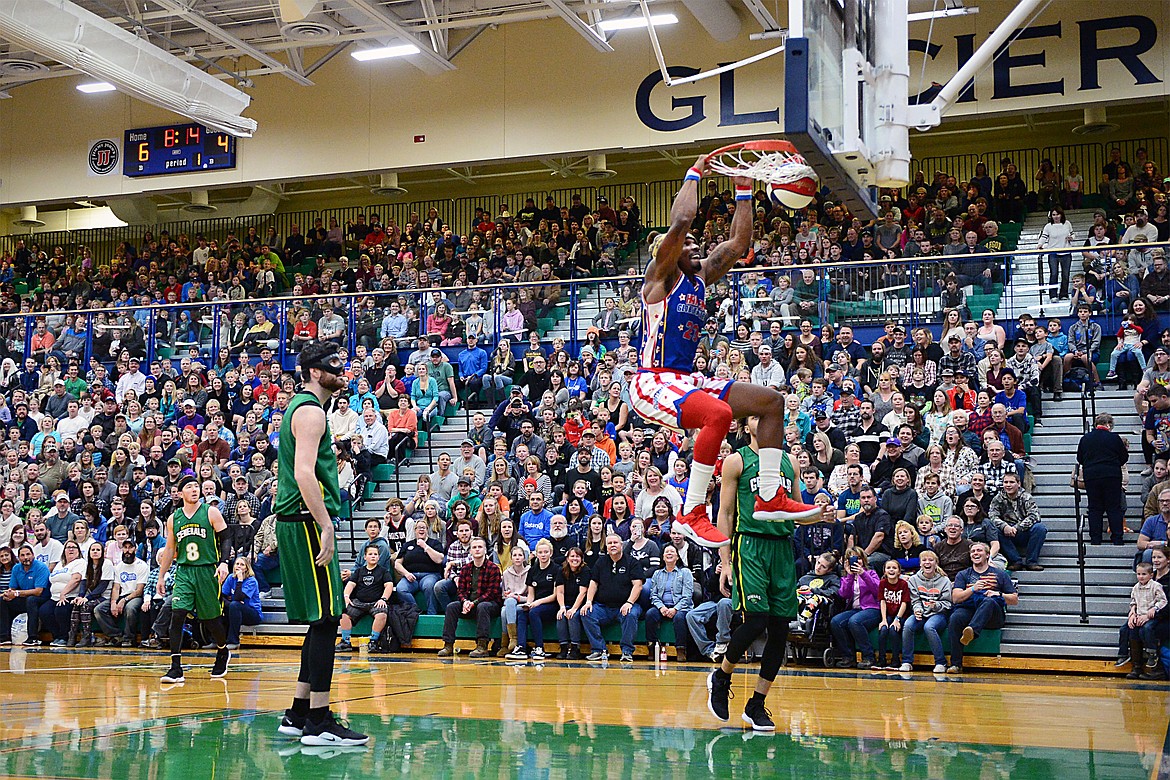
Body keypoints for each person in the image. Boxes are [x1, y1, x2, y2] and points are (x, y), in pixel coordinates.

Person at [632, 156, 807, 548]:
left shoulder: (700, 279)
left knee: (771, 402)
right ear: (669, 252)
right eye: (688, 245)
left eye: (697, 244)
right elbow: (679, 223)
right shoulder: (659, 281)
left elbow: (739, 244)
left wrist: (743, 187)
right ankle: (691, 511)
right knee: (720, 414)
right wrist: (694, 173)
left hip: (686, 380)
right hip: (651, 381)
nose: (695, 247)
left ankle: (769, 495)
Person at [708, 415, 833, 731]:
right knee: (757, 619)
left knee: (780, 628)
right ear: (745, 425)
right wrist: (725, 560)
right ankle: (722, 676)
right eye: (755, 416)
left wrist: (818, 514)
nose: (764, 421)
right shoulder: (736, 461)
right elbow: (725, 513)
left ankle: (756, 704)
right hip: (749, 544)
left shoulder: (790, 461)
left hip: (782, 546)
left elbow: (798, 511)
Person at [271, 341, 368, 747]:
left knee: (320, 619)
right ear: (313, 371)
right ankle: (319, 722)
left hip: (297, 520)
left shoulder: (303, 407)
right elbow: (305, 474)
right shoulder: (311, 411)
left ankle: (298, 713)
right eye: (333, 365)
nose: (341, 370)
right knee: (329, 618)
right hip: (307, 521)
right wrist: (326, 525)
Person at [156, 476, 232, 682]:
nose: (194, 489)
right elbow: (170, 548)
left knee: (210, 619)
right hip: (184, 571)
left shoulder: (211, 512)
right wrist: (161, 576)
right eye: (188, 487)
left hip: (207, 571)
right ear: (180, 493)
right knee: (177, 614)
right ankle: (175, 667)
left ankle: (223, 651)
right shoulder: (174, 518)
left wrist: (224, 562)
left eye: (196, 486)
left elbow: (226, 537)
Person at [947, 541, 1018, 673]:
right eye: (973, 551)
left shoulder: (999, 574)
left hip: (992, 615)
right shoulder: (963, 574)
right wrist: (973, 589)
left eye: (979, 550)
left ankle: (972, 630)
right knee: (955, 618)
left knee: (989, 601)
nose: (975, 553)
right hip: (970, 610)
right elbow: (956, 598)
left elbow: (1014, 599)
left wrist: (999, 594)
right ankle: (956, 664)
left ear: (987, 555)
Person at [581, 532, 644, 663]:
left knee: (631, 614)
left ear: (621, 545)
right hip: (603, 607)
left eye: (615, 543)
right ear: (606, 547)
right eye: (609, 543)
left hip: (625, 605)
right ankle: (599, 650)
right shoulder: (601, 561)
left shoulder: (632, 562)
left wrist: (629, 602)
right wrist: (588, 601)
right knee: (586, 613)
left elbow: (638, 585)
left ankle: (627, 652)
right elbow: (593, 583)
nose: (612, 545)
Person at [437, 536, 501, 658]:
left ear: (485, 550)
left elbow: (492, 593)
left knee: (483, 606)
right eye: (474, 547)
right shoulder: (465, 568)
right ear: (470, 551)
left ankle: (482, 646)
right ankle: (448, 645)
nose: (477, 550)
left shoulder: (493, 568)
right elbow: (460, 591)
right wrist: (465, 601)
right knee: (452, 607)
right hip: (469, 604)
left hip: (489, 605)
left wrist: (474, 603)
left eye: (480, 547)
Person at [1076, 413, 1130, 546]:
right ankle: (1117, 539)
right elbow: (1124, 457)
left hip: (1092, 476)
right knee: (1114, 507)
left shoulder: (1085, 438)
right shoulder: (1114, 438)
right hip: (1112, 475)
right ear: (1109, 424)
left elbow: (1079, 458)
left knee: (1094, 508)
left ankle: (1095, 539)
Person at [901, 549, 953, 673]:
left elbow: (948, 603)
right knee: (908, 625)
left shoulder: (944, 581)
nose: (927, 562)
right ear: (920, 564)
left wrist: (936, 605)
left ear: (936, 563)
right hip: (921, 612)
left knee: (929, 627)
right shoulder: (913, 579)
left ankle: (940, 662)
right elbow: (915, 600)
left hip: (939, 613)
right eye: (924, 560)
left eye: (931, 560)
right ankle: (907, 661)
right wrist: (917, 610)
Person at [336, 543, 393, 653]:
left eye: (375, 554)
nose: (373, 556)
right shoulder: (359, 571)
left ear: (379, 557)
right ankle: (345, 642)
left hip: (376, 602)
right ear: (365, 557)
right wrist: (346, 596)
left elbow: (389, 585)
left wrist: (383, 599)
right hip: (359, 602)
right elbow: (350, 584)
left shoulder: (383, 571)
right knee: (344, 613)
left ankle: (373, 642)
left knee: (381, 615)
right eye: (370, 554)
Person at [987, 472, 1047, 571]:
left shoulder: (1026, 497)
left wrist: (1017, 527)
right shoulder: (997, 498)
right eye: (1006, 482)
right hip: (1006, 532)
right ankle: (1015, 561)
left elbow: (1034, 516)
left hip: (1023, 531)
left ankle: (1031, 562)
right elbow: (992, 515)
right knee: (994, 530)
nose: (1008, 485)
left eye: (1011, 482)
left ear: (1018, 484)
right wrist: (1004, 526)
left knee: (1040, 528)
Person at [644, 544, 694, 661]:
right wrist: (661, 607)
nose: (669, 553)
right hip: (662, 606)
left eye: (672, 551)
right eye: (667, 552)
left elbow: (687, 596)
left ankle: (681, 650)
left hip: (681, 607)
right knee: (650, 614)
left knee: (679, 618)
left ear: (677, 556)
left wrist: (675, 609)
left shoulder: (685, 572)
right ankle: (652, 647)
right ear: (663, 557)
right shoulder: (657, 574)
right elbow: (653, 595)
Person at [1125, 562, 1167, 680]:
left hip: (1152, 616)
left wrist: (1155, 609)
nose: (1141, 576)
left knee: (1147, 629)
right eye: (1138, 574)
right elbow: (1133, 602)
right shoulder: (1135, 588)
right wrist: (1132, 612)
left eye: (1144, 574)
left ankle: (1152, 654)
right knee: (1132, 630)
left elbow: (1163, 601)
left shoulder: (1156, 586)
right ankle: (1136, 666)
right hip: (1139, 615)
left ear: (1151, 575)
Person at [0, 545, 49, 645]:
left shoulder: (41, 567)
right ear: (19, 558)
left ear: (33, 555)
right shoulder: (16, 568)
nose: (25, 557)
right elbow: (12, 588)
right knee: (3, 601)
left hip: (42, 598)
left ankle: (33, 637)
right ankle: (4, 637)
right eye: (22, 555)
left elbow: (38, 591)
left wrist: (17, 593)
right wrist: (8, 593)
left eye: (28, 554)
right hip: (24, 598)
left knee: (31, 600)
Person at [874, 559, 911, 671]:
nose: (891, 570)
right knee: (883, 629)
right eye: (888, 568)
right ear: (884, 571)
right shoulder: (882, 583)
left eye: (894, 568)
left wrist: (897, 619)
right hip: (888, 614)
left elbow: (904, 603)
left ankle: (895, 660)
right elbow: (882, 601)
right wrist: (884, 619)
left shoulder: (903, 584)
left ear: (899, 572)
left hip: (902, 615)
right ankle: (882, 660)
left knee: (893, 630)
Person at [221, 556, 262, 650]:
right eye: (237, 564)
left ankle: (233, 641)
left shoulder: (251, 581)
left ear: (247, 568)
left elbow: (238, 597)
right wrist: (229, 604)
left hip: (252, 614)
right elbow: (222, 596)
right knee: (223, 607)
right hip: (236, 610)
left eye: (242, 565)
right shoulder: (231, 578)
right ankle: (217, 641)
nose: (238, 566)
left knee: (235, 605)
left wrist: (240, 580)